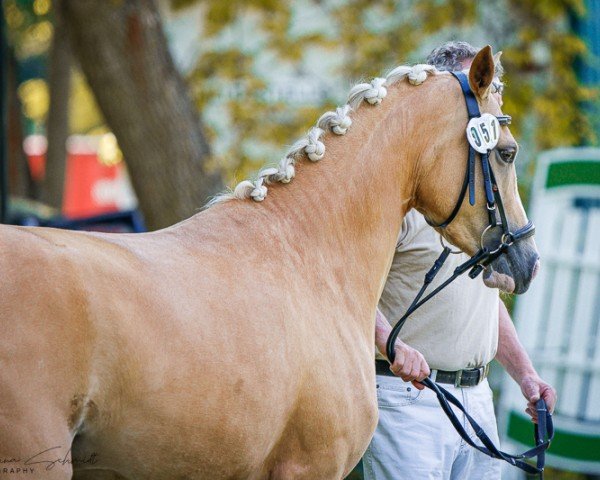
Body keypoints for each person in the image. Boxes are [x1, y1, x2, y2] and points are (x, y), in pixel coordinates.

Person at [362, 41, 557, 480]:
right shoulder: (403, 202)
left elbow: (483, 303)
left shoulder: (472, 205)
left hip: (478, 398)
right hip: (407, 399)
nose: (491, 93)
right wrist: (389, 344)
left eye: (493, 84)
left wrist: (526, 375)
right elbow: (348, 288)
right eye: (481, 83)